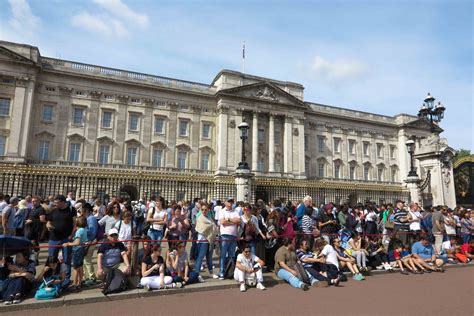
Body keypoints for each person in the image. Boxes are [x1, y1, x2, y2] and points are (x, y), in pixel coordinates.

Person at [45, 194, 75, 287]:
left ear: (63, 202)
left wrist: (72, 235)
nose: (55, 204)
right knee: (51, 258)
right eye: (55, 202)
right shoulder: (53, 210)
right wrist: (48, 225)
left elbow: (75, 223)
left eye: (57, 202)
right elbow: (48, 221)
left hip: (66, 238)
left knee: (67, 258)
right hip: (54, 238)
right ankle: (51, 277)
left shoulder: (71, 210)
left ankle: (66, 278)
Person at [63, 216, 88, 291]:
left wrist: (68, 244)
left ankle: (75, 283)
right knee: (80, 267)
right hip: (81, 249)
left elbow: (77, 242)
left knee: (75, 268)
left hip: (77, 250)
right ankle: (79, 283)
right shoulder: (84, 230)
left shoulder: (79, 231)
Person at [217, 197, 240, 279]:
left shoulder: (235, 211)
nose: (230, 203)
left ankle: (230, 272)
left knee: (232, 255)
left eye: (231, 201)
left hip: (233, 235)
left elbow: (238, 221)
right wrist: (232, 221)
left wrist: (228, 220)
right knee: (223, 254)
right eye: (229, 201)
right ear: (225, 202)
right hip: (224, 235)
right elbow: (222, 222)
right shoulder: (221, 211)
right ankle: (222, 272)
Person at [194, 203, 217, 280]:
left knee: (209, 257)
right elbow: (201, 229)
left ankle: (211, 272)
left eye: (205, 209)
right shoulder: (200, 218)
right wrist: (211, 226)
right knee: (200, 256)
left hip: (210, 239)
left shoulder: (209, 217)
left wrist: (212, 228)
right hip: (202, 239)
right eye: (202, 209)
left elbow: (214, 226)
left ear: (208, 210)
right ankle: (197, 273)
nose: (204, 211)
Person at [24, 196, 46, 265]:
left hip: (35, 231)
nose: (33, 202)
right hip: (29, 229)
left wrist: (31, 221)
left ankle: (35, 260)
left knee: (35, 245)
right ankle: (29, 259)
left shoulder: (41, 209)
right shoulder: (33, 208)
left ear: (39, 201)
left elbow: (42, 220)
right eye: (32, 201)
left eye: (35, 201)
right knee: (29, 245)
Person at [82, 203, 98, 286]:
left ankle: (92, 277)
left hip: (90, 241)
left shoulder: (91, 218)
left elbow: (92, 231)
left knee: (87, 260)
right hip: (87, 241)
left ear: (86, 210)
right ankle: (87, 277)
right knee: (85, 260)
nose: (81, 211)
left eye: (82, 209)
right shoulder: (88, 218)